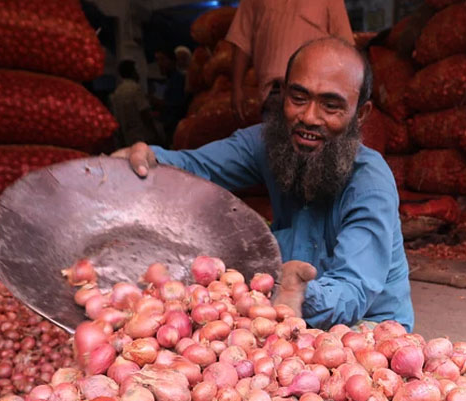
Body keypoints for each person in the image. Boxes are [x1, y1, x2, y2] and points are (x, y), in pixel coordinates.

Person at [113, 38, 414, 331]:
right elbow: (195, 166)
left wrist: (302, 294)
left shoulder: (370, 184)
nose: (309, 117)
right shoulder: (268, 143)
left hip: (368, 326)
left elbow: (354, 288)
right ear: (283, 95)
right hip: (286, 311)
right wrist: (150, 159)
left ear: (360, 115)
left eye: (330, 106)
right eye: (298, 98)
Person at [224, 0, 354, 120]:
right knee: (276, 143)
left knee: (313, 142)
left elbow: (345, 48)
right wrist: (236, 89)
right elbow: (241, 42)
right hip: (274, 93)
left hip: (315, 95)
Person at [109, 60, 159, 148]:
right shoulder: (136, 89)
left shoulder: (117, 92)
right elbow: (144, 112)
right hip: (142, 136)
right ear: (133, 73)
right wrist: (156, 133)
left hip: (126, 138)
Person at [150, 50, 188, 143]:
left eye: (162, 59)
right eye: (157, 60)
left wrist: (158, 103)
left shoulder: (178, 80)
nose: (159, 64)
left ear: (173, 61)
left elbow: (179, 106)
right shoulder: (169, 81)